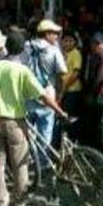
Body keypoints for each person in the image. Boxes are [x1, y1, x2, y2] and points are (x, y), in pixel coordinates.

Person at [0, 31, 67, 206]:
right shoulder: (22, 70)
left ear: (7, 47)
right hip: (15, 123)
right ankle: (19, 199)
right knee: (20, 163)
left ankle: (0, 203)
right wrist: (59, 111)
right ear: (21, 50)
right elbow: (42, 96)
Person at [23, 20, 68, 164]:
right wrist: (60, 96)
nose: (57, 36)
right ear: (47, 34)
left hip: (27, 95)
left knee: (26, 133)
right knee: (45, 135)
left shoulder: (26, 46)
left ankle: (26, 161)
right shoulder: (54, 50)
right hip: (47, 97)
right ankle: (42, 166)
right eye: (55, 33)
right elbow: (62, 75)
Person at [83, 32, 103, 155]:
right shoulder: (94, 55)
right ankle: (95, 148)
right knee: (94, 121)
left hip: (100, 93)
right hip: (94, 92)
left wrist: (92, 89)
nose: (94, 46)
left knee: (101, 122)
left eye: (97, 43)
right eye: (93, 43)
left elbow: (102, 76)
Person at [60, 32, 83, 116]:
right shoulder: (62, 54)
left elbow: (76, 73)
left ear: (75, 42)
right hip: (64, 90)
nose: (68, 43)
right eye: (65, 41)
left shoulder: (76, 53)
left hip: (72, 89)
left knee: (69, 115)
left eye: (70, 41)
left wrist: (65, 85)